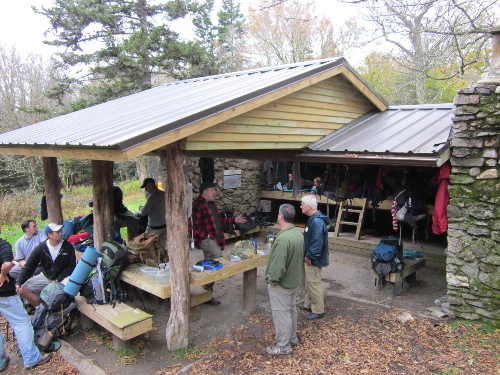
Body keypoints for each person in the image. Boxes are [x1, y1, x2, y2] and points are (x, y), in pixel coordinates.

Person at [0, 226, 51, 371]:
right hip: (4, 292)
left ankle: (0, 361)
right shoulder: (3, 245)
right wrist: (3, 274)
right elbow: (7, 264)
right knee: (21, 323)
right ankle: (31, 358)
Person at [189, 181, 246, 305]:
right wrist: (207, 235)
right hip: (205, 239)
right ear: (205, 191)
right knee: (217, 258)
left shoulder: (212, 204)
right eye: (212, 190)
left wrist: (234, 220)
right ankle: (204, 289)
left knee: (213, 264)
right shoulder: (197, 205)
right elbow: (192, 226)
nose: (215, 192)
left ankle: (206, 293)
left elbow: (220, 220)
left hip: (215, 238)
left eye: (215, 190)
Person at [265, 204, 304, 356]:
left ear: (280, 216)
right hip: (293, 280)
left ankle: (283, 345)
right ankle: (292, 338)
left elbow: (278, 266)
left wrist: (272, 280)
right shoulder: (297, 233)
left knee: (281, 313)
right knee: (291, 310)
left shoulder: (283, 239)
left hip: (282, 283)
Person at [16, 223, 76, 308]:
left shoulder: (67, 246)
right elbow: (28, 267)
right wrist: (18, 283)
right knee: (24, 289)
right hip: (47, 276)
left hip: (64, 277)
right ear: (50, 235)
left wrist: (59, 279)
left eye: (60, 231)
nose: (60, 234)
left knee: (58, 293)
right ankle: (41, 309)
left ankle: (60, 310)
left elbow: (71, 266)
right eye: (57, 232)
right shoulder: (41, 248)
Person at [300, 194, 330, 320]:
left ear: (309, 206)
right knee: (309, 282)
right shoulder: (313, 219)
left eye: (302, 204)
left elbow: (317, 242)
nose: (300, 206)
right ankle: (308, 305)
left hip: (314, 259)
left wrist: (310, 256)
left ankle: (318, 310)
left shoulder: (316, 221)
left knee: (314, 283)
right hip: (310, 257)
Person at [139, 178, 167, 259]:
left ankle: (154, 262)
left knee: (148, 245)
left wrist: (140, 208)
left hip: (154, 227)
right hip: (164, 225)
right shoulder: (163, 194)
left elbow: (143, 212)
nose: (145, 189)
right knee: (162, 245)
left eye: (146, 186)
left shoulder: (152, 197)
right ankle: (164, 261)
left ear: (150, 184)